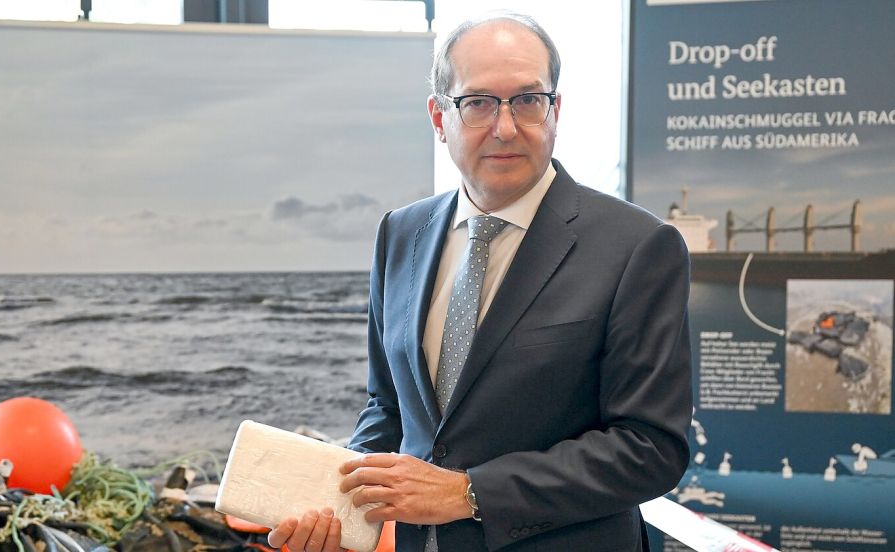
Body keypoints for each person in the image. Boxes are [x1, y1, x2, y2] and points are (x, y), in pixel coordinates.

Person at [268, 11, 692, 552]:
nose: (506, 127)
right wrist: (340, 505)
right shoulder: (400, 233)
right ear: (439, 118)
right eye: (478, 103)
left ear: (555, 110)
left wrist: (470, 493)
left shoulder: (638, 246)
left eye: (528, 100)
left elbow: (651, 449)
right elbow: (389, 405)